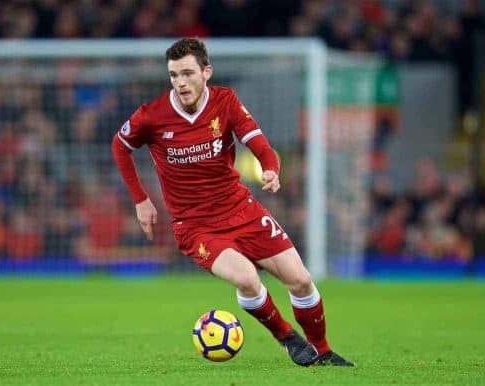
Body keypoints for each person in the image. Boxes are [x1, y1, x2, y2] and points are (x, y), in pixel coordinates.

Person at [112, 38, 353, 367]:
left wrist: (271, 167)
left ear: (206, 72)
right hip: (195, 226)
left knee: (300, 280)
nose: (180, 82)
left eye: (186, 73)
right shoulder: (152, 115)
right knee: (246, 278)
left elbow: (256, 140)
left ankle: (323, 351)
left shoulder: (225, 101)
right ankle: (287, 338)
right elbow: (120, 145)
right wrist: (141, 199)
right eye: (173, 75)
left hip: (242, 209)